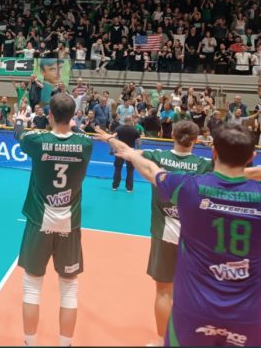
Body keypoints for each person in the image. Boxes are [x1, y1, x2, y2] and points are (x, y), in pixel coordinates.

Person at [103, 124, 261, 347]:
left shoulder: (189, 187)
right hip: (249, 313)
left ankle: (160, 339)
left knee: (164, 291)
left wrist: (129, 153)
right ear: (252, 156)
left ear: (214, 152)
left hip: (196, 310)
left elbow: (150, 170)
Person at [99, 121, 214, 346]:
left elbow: (127, 151)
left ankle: (163, 341)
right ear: (196, 140)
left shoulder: (158, 157)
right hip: (195, 239)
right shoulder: (205, 164)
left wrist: (109, 138)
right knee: (193, 293)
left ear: (172, 135)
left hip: (165, 233)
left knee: (163, 292)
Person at [13, 94, 93, 347]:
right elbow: (80, 133)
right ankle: (65, 344)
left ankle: (30, 342)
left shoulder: (37, 141)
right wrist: (74, 126)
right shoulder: (85, 144)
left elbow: (18, 134)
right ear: (73, 116)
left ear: (49, 116)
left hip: (40, 221)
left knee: (32, 286)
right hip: (69, 222)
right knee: (69, 288)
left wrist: (20, 120)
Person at [111, 116, 140, 192]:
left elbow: (112, 138)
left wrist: (112, 149)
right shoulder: (134, 130)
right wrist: (138, 151)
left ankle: (115, 186)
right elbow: (138, 142)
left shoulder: (118, 129)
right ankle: (129, 188)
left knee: (118, 168)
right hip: (130, 152)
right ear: (131, 120)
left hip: (120, 151)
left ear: (124, 120)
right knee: (130, 170)